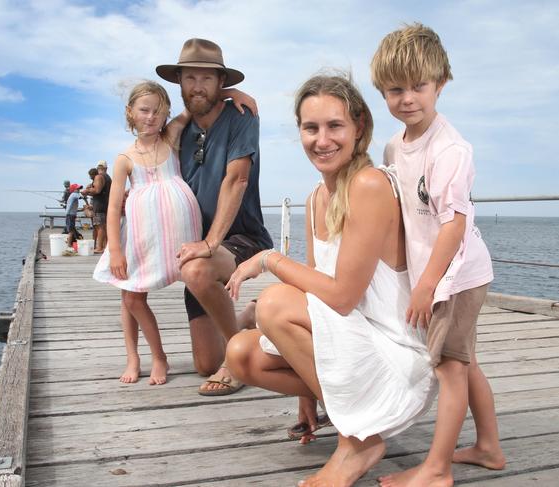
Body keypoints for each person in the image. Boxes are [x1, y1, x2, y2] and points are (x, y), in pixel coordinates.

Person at [225, 73, 437, 487]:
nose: (322, 140)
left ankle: (359, 441)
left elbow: (340, 297)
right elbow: (316, 289)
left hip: (394, 356)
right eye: (311, 128)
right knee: (240, 354)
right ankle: (339, 407)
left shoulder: (369, 184)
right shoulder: (315, 198)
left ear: (359, 127)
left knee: (272, 303)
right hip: (349, 340)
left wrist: (269, 258)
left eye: (335, 126)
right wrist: (307, 393)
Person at [370, 23, 505, 487]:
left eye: (419, 87)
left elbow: (454, 222)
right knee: (465, 359)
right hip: (438, 273)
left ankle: (436, 469)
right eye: (395, 89)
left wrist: (426, 284)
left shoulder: (450, 149)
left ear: (440, 83)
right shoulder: (393, 145)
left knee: (449, 366)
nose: (408, 98)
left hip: (456, 275)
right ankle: (488, 446)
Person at [93, 80, 256, 385]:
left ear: (166, 112)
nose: (151, 117)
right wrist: (115, 249)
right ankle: (148, 356)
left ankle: (239, 322)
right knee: (131, 298)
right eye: (144, 110)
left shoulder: (171, 137)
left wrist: (230, 93)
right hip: (143, 238)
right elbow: (114, 208)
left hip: (181, 237)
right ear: (130, 113)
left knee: (196, 291)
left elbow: (195, 104)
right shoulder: (124, 159)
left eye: (158, 110)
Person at [156, 38, 273, 395]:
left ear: (221, 82)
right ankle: (248, 319)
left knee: (195, 269)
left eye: (207, 79)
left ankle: (236, 361)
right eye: (190, 78)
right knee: (204, 363)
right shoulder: (176, 132)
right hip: (199, 243)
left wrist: (211, 242)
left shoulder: (242, 117)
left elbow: (236, 178)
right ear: (179, 83)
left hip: (240, 237)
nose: (198, 86)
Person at [82, 160, 111, 253]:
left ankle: (99, 248)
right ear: (106, 168)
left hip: (99, 205)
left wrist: (86, 191)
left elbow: (97, 191)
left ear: (98, 168)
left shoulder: (99, 176)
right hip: (106, 205)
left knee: (99, 227)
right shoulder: (108, 178)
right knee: (104, 226)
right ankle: (105, 246)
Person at [65, 183, 82, 249]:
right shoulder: (74, 194)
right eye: (77, 189)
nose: (79, 190)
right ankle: (69, 245)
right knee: (71, 231)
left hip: (71, 215)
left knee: (71, 230)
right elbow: (81, 196)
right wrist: (87, 192)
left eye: (79, 189)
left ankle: (70, 244)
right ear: (74, 190)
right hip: (70, 215)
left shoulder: (74, 195)